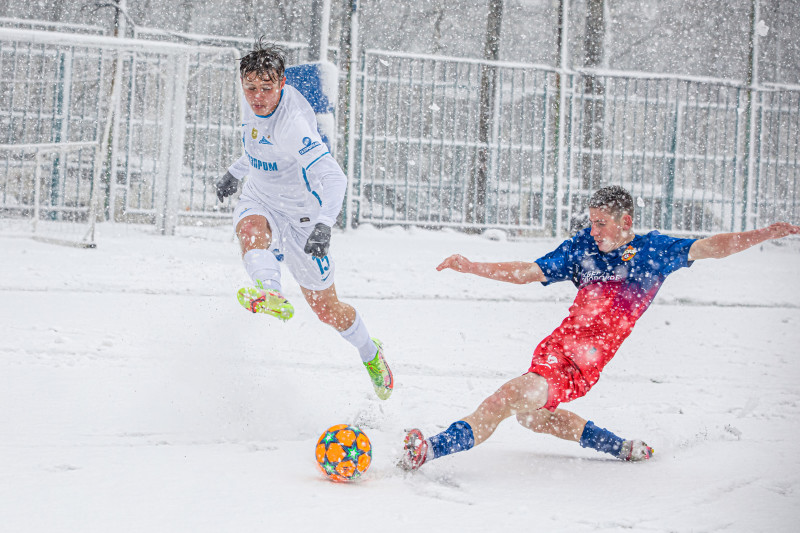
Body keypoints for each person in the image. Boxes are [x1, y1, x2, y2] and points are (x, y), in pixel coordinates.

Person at [400, 185, 800, 469]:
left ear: (626, 220)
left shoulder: (654, 252)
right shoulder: (582, 249)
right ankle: (620, 446)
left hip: (580, 365)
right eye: (591, 222)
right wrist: (473, 267)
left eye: (602, 223)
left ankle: (430, 449)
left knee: (507, 398)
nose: (594, 230)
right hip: (553, 350)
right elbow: (528, 271)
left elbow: (711, 246)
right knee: (532, 417)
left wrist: (762, 234)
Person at [215, 39, 393, 400]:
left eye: (266, 88)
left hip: (302, 215)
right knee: (250, 231)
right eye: (250, 87)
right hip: (260, 195)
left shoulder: (294, 124)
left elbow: (335, 177)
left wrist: (325, 223)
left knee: (328, 310)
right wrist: (236, 172)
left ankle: (371, 353)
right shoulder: (254, 103)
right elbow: (259, 144)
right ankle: (270, 291)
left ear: (282, 84)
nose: (257, 97)